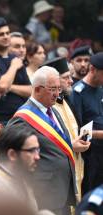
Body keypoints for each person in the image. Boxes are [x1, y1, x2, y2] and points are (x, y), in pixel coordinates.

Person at [7, 66, 83, 215]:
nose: (57, 94)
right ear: (38, 90)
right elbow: (13, 154)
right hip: (44, 192)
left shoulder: (53, 110)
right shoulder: (22, 118)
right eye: (52, 89)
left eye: (58, 89)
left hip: (62, 189)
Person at [43, 57, 90, 200]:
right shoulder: (47, 108)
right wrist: (70, 146)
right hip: (59, 170)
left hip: (77, 163)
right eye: (66, 78)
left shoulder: (66, 100)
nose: (71, 81)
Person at [0, 124, 40, 210]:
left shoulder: (22, 176)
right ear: (12, 155)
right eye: (31, 151)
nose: (37, 157)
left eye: (37, 150)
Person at [69, 52, 103, 195]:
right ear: (93, 69)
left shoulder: (100, 88)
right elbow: (77, 130)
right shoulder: (78, 93)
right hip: (90, 155)